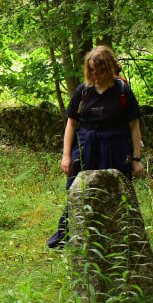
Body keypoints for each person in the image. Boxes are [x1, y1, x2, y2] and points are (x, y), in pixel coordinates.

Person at [46, 45, 145, 248]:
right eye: (91, 70)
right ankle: (70, 235)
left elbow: (135, 127)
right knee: (78, 190)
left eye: (99, 70)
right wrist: (66, 156)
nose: (94, 75)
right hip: (86, 147)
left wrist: (136, 160)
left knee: (116, 193)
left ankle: (120, 239)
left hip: (116, 148)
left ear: (109, 68)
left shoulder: (123, 92)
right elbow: (71, 124)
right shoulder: (83, 91)